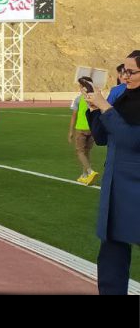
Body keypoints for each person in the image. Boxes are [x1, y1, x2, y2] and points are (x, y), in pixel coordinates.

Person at [82, 50, 140, 295]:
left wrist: (105, 106)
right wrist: (95, 109)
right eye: (123, 71)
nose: (124, 76)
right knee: (111, 256)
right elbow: (102, 138)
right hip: (116, 188)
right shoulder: (122, 98)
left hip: (136, 187)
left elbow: (131, 140)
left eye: (131, 72)